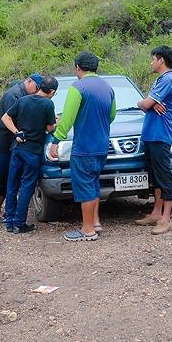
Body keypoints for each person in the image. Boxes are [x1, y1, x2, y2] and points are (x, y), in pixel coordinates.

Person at [49, 52, 116, 242]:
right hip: (102, 145)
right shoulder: (108, 87)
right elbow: (111, 116)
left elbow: (68, 118)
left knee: (84, 185)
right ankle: (95, 222)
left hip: (84, 147)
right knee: (94, 183)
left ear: (78, 67)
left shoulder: (78, 87)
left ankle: (87, 230)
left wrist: (56, 141)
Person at [0, 75, 59, 234]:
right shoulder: (48, 104)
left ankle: (10, 222)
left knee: (12, 185)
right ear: (52, 91)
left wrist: (17, 132)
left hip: (18, 148)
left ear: (39, 87)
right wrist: (56, 122)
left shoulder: (23, 100)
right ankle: (20, 223)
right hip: (33, 151)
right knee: (27, 186)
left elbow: (5, 117)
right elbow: (50, 128)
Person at [0, 74, 43, 223]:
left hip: (13, 144)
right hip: (0, 141)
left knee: (7, 178)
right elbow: (14, 118)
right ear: (28, 81)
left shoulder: (25, 94)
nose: (37, 92)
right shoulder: (13, 94)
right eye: (36, 88)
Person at [134, 45, 172, 235]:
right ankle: (155, 212)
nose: (151, 62)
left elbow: (144, 104)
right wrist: (149, 104)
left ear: (161, 60)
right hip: (151, 134)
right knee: (154, 176)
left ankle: (166, 217)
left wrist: (147, 104)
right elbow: (147, 104)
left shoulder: (168, 79)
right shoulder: (160, 80)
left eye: (153, 59)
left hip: (160, 135)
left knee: (163, 175)